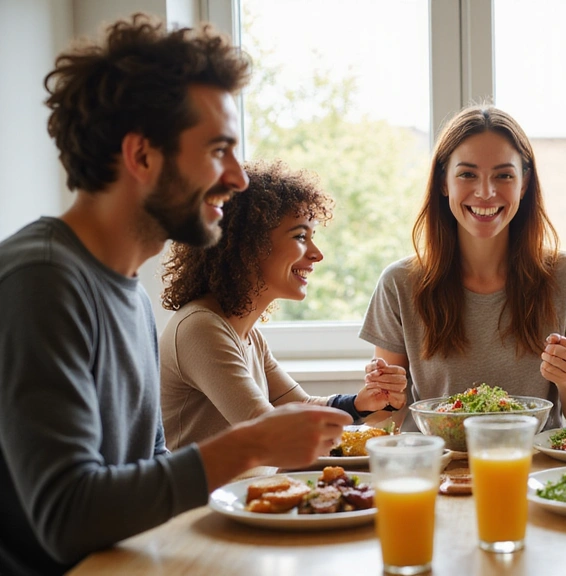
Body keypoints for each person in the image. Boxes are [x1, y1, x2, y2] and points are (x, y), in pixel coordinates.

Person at [0, 15, 351, 575]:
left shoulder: (133, 299)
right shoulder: (40, 281)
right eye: (218, 150)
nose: (237, 178)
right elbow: (67, 516)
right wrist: (252, 445)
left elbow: (149, 474)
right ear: (142, 156)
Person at [360, 105, 566, 431]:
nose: (485, 192)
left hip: (534, 468)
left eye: (504, 175)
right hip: (439, 468)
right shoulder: (399, 283)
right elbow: (386, 419)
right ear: (443, 182)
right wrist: (383, 394)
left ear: (524, 183)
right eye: (467, 174)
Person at [159, 160, 407, 450]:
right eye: (300, 236)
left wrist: (363, 403)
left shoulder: (248, 335)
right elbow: (269, 432)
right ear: (249, 245)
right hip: (209, 497)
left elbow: (301, 405)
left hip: (245, 494)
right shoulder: (200, 328)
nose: (317, 255)